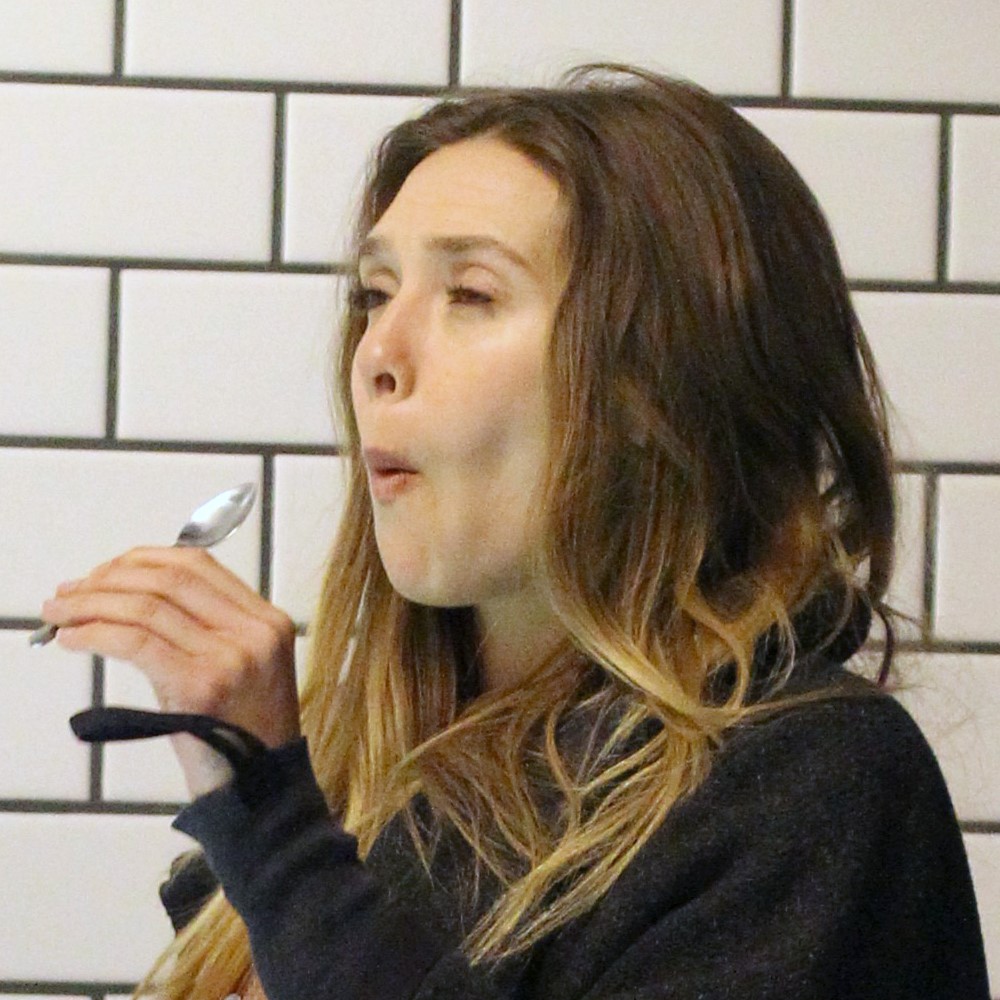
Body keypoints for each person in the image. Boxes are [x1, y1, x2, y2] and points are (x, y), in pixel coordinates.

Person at [40, 65, 988, 999]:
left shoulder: (812, 782)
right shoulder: (372, 793)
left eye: (472, 294)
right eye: (375, 293)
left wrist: (275, 840)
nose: (378, 354)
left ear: (657, 387)